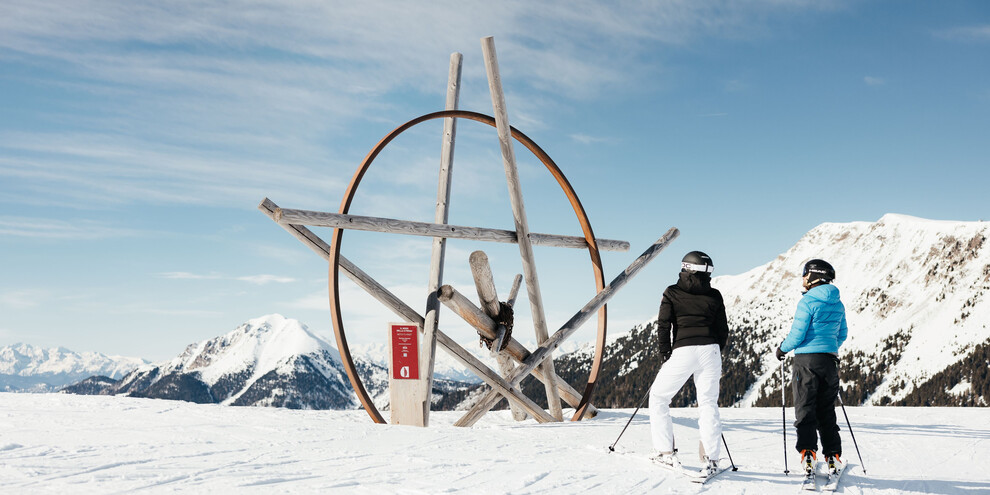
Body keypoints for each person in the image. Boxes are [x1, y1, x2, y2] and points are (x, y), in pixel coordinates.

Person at [649, 251, 729, 476]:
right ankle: (711, 459)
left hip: (683, 349)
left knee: (659, 398)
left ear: (686, 267)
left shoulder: (672, 292)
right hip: (710, 350)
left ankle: (665, 453)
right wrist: (715, 350)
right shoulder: (714, 295)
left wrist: (665, 353)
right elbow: (723, 329)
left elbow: (664, 325)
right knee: (708, 403)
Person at [775, 259, 848, 478]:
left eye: (805, 275)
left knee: (805, 408)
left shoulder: (807, 302)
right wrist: (827, 347)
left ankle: (808, 453)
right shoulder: (838, 303)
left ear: (814, 276)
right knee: (827, 410)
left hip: (806, 362)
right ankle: (833, 456)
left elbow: (797, 335)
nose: (803, 279)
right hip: (829, 362)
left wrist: (782, 349)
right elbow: (842, 334)